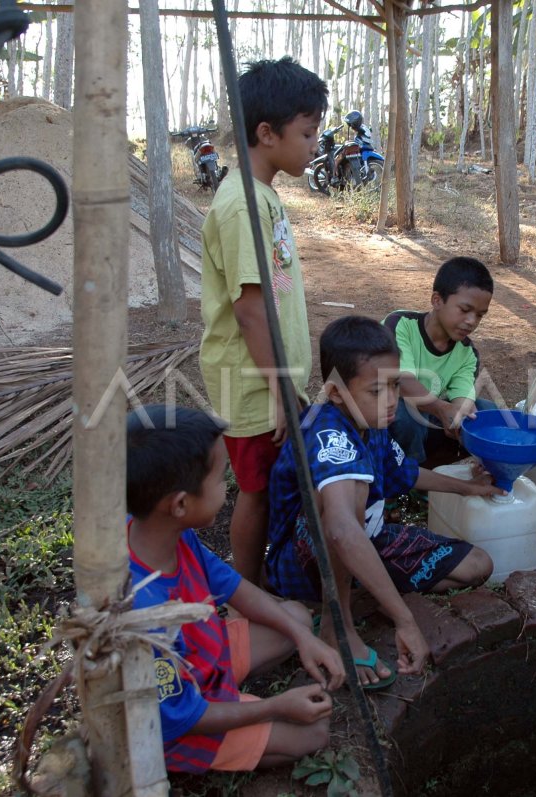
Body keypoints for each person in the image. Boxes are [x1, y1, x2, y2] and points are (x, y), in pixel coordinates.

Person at [266, 316, 499, 688]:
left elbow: (405, 472)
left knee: (476, 566)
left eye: (395, 385)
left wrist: (468, 488)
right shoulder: (327, 433)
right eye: (377, 391)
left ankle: (362, 591)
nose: (392, 402)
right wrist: (404, 619)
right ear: (337, 392)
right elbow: (341, 529)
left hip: (368, 539)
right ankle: (336, 623)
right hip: (306, 558)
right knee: (349, 493)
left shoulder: (371, 423)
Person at [126, 405, 345, 774]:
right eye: (220, 478)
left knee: (296, 618)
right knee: (313, 733)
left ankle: (233, 694)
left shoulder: (164, 533)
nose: (226, 489)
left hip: (201, 656)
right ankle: (223, 729)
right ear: (180, 504)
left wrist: (303, 638)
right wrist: (276, 706)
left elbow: (237, 589)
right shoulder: (142, 614)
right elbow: (183, 718)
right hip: (175, 726)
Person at [200, 57, 328, 584]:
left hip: (271, 378)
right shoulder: (242, 206)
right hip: (253, 382)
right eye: (307, 132)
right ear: (266, 132)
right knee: (252, 490)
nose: (314, 143)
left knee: (272, 481)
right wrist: (278, 389)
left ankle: (273, 575)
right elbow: (251, 309)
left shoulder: (263, 197)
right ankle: (248, 593)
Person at [384, 257, 496, 464]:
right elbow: (402, 382)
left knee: (485, 412)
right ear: (437, 300)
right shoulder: (400, 325)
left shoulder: (467, 352)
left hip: (432, 421)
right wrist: (442, 409)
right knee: (405, 415)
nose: (472, 321)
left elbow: (462, 397)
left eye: (480, 315)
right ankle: (406, 482)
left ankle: (443, 469)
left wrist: (462, 415)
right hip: (387, 423)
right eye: (464, 310)